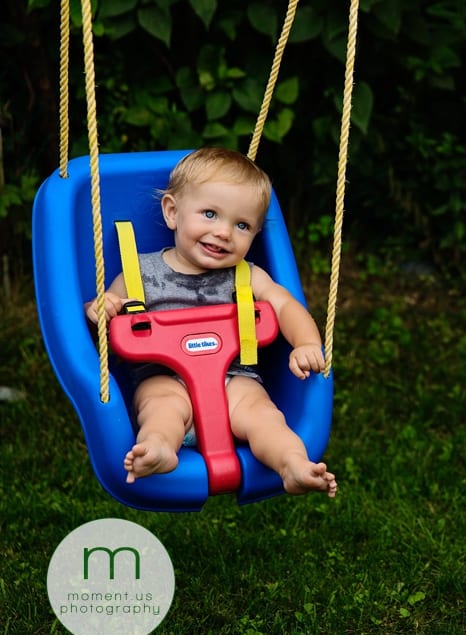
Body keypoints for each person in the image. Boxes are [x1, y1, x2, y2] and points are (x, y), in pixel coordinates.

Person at [85, 146, 337, 498]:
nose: (223, 232)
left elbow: (285, 306)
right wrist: (101, 308)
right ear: (172, 212)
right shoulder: (138, 273)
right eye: (210, 214)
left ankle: (293, 463)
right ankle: (159, 448)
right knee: (161, 409)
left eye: (241, 225)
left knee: (264, 416)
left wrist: (307, 342)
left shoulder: (247, 275)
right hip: (163, 379)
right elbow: (101, 323)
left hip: (235, 381)